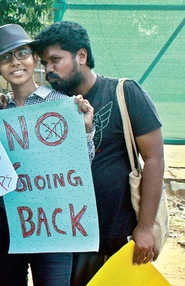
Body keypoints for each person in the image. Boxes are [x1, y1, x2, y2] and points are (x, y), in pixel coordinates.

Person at [31, 21, 164, 285]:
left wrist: (146, 227)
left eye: (55, 60)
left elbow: (154, 159)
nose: (48, 70)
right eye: (45, 63)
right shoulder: (51, 106)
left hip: (116, 240)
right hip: (66, 241)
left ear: (81, 56)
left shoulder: (124, 93)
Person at [0, 24, 95, 286]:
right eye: (5, 58)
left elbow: (82, 166)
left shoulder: (64, 105)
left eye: (22, 53)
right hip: (6, 220)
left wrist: (86, 131)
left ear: (34, 58)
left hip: (54, 222)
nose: (15, 63)